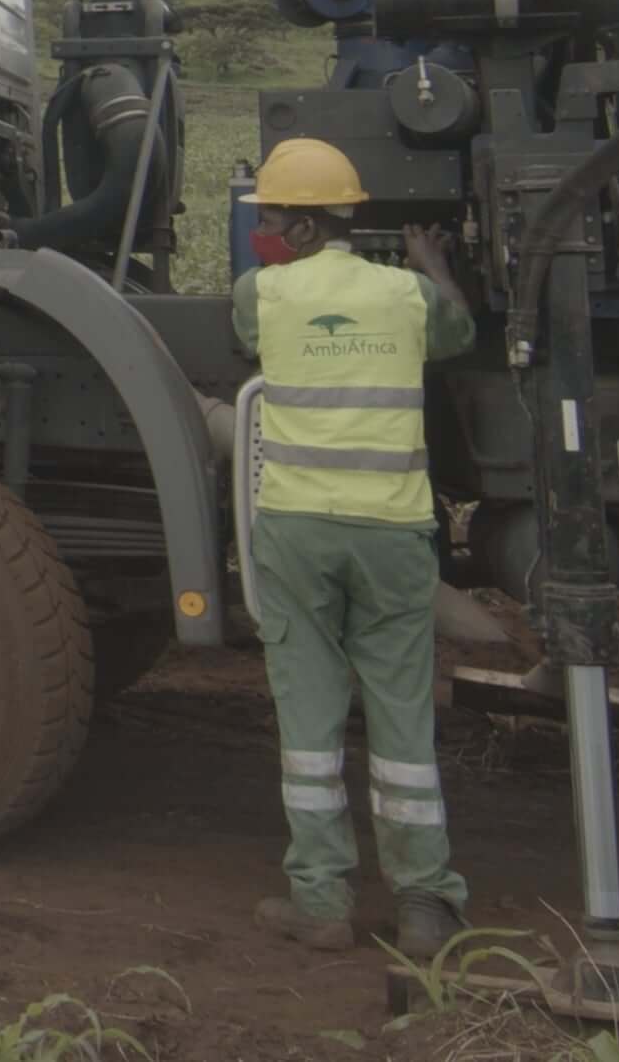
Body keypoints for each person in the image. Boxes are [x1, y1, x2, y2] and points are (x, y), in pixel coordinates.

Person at [232, 137, 479, 956]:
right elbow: (460, 330)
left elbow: (242, 335)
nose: (263, 229)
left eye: (269, 217)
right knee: (402, 719)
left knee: (307, 717)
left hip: (299, 532)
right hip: (392, 533)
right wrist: (431, 261)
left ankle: (322, 903)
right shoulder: (407, 296)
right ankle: (424, 904)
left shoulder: (260, 294)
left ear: (299, 228)